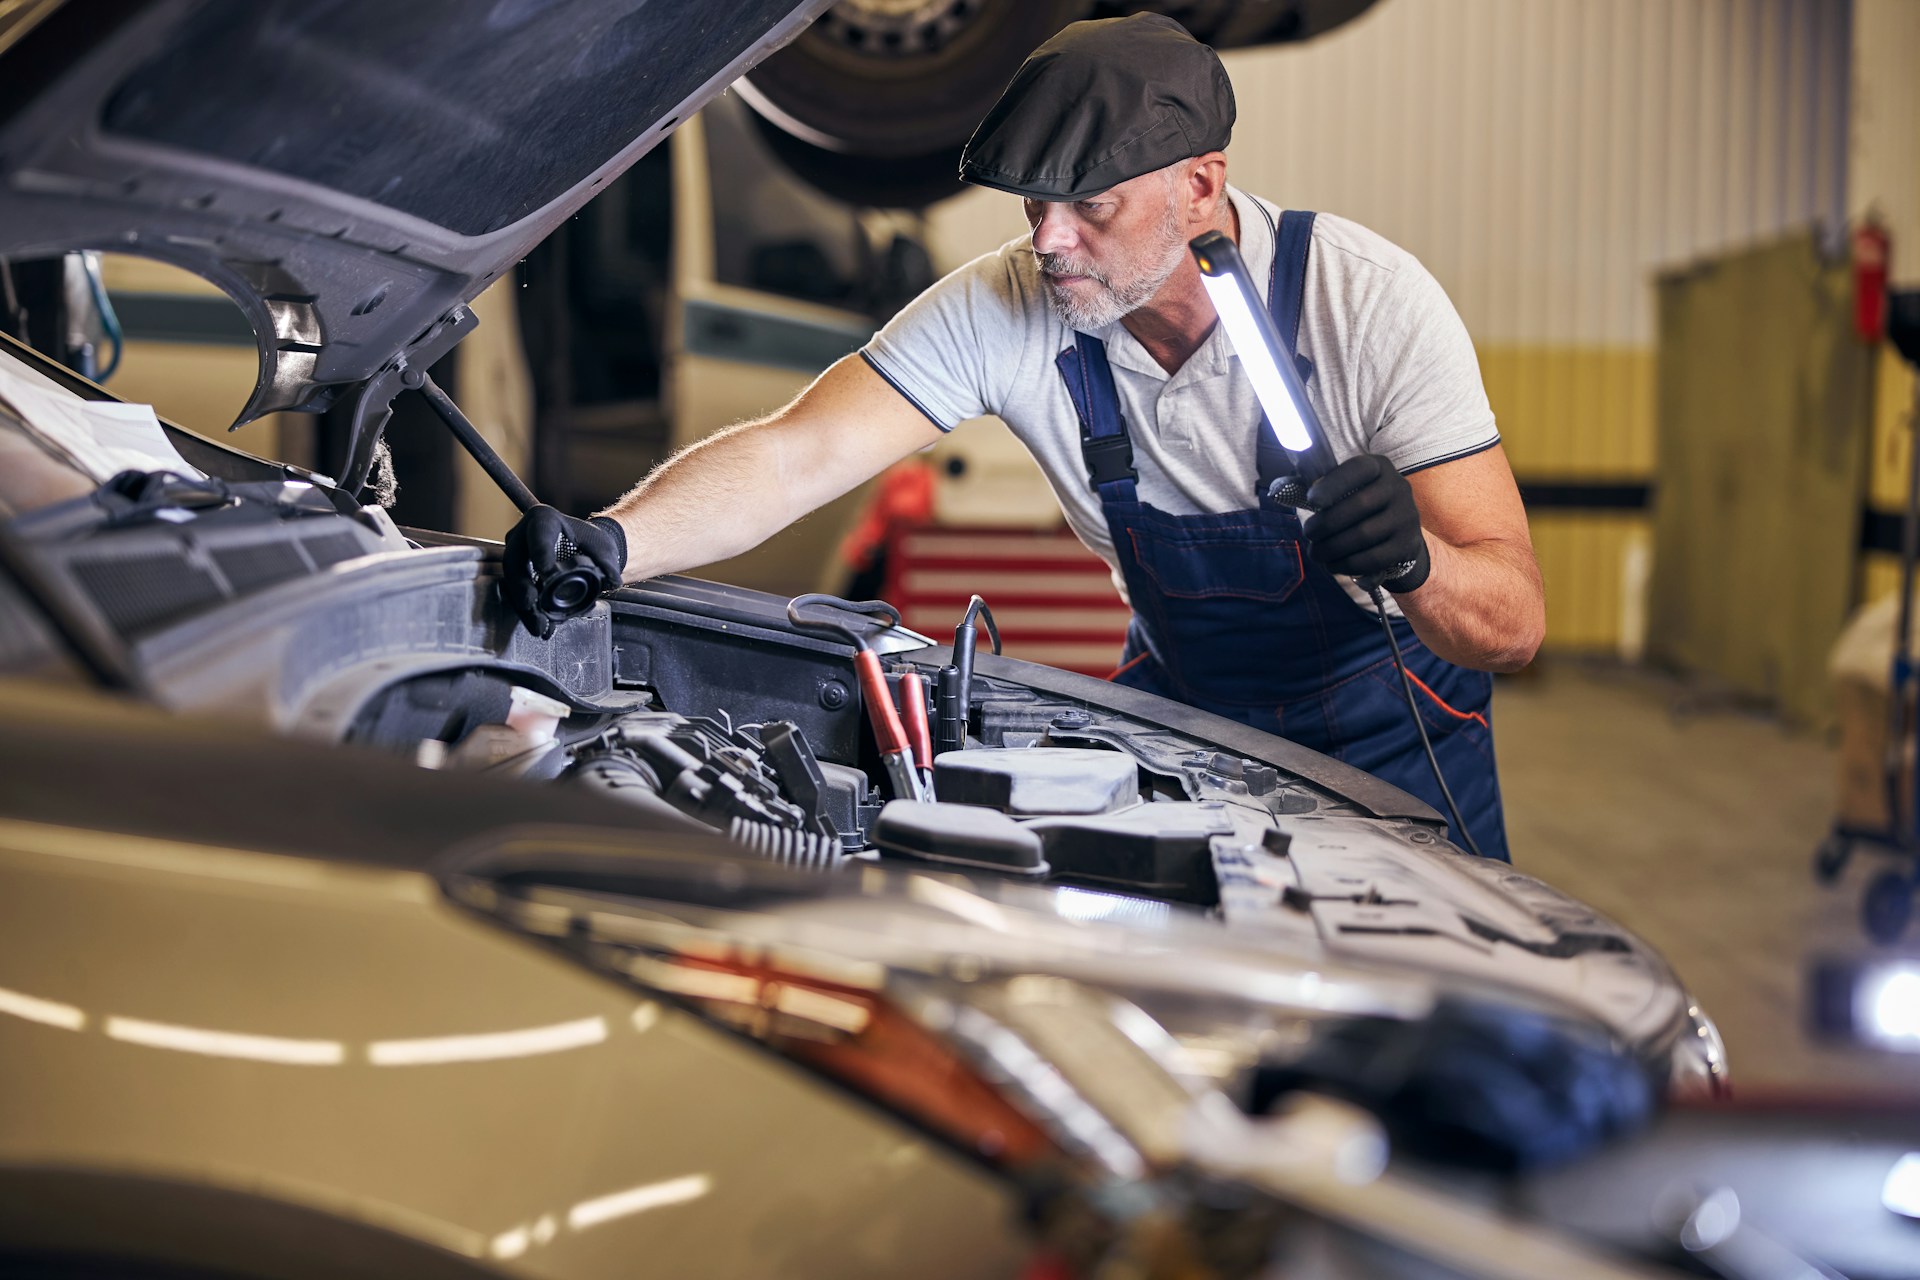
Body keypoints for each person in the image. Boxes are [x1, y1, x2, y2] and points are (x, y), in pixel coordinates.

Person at [502, 14, 1543, 860]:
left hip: (1391, 730)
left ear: (1200, 185)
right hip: (1190, 716)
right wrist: (616, 542)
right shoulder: (1014, 303)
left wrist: (1415, 560)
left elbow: (1512, 622)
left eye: (1089, 204)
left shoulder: (1364, 302)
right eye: (1036, 205)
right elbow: (796, 452)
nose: (1049, 241)